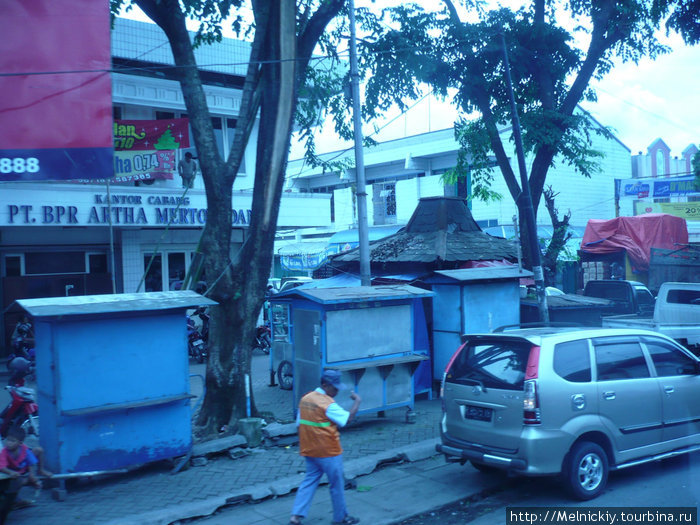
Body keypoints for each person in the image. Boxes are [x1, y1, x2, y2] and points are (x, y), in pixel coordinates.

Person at [289, 369, 361, 525]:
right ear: (324, 385)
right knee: (336, 485)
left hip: (309, 450)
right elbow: (347, 419)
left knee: (309, 481)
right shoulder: (327, 403)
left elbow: (298, 425)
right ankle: (341, 518)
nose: (336, 391)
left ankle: (295, 517)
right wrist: (357, 401)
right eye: (334, 388)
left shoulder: (306, 399)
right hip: (329, 451)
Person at [0, 426, 42, 523]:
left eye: (12, 441)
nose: (8, 443)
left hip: (20, 472)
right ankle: (16, 501)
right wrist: (11, 472)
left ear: (20, 443)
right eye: (7, 440)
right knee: (12, 486)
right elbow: (2, 467)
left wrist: (32, 474)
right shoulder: (4, 451)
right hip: (10, 474)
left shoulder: (24, 449)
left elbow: (31, 462)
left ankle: (15, 502)